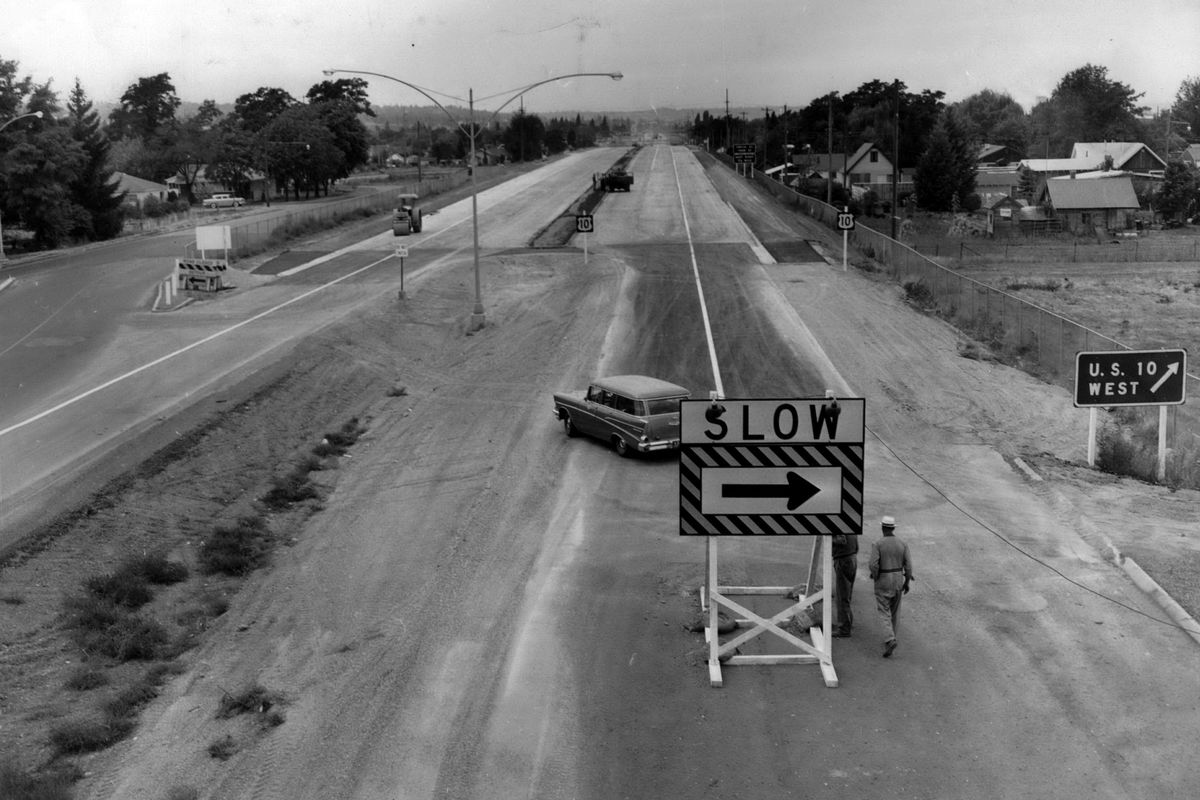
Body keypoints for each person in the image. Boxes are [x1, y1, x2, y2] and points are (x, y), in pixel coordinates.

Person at [869, 515, 913, 658]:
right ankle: (892, 637)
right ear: (893, 528)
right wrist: (906, 582)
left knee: (883, 611)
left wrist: (875, 576)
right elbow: (909, 566)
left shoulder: (878, 544)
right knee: (894, 611)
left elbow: (873, 565)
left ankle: (889, 639)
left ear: (882, 527)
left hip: (883, 579)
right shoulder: (902, 543)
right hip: (898, 580)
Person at [830, 531, 858, 637]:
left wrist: (828, 539)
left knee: (842, 596)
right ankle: (848, 621)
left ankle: (844, 629)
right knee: (847, 594)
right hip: (852, 558)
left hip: (843, 559)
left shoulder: (838, 522)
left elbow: (841, 540)